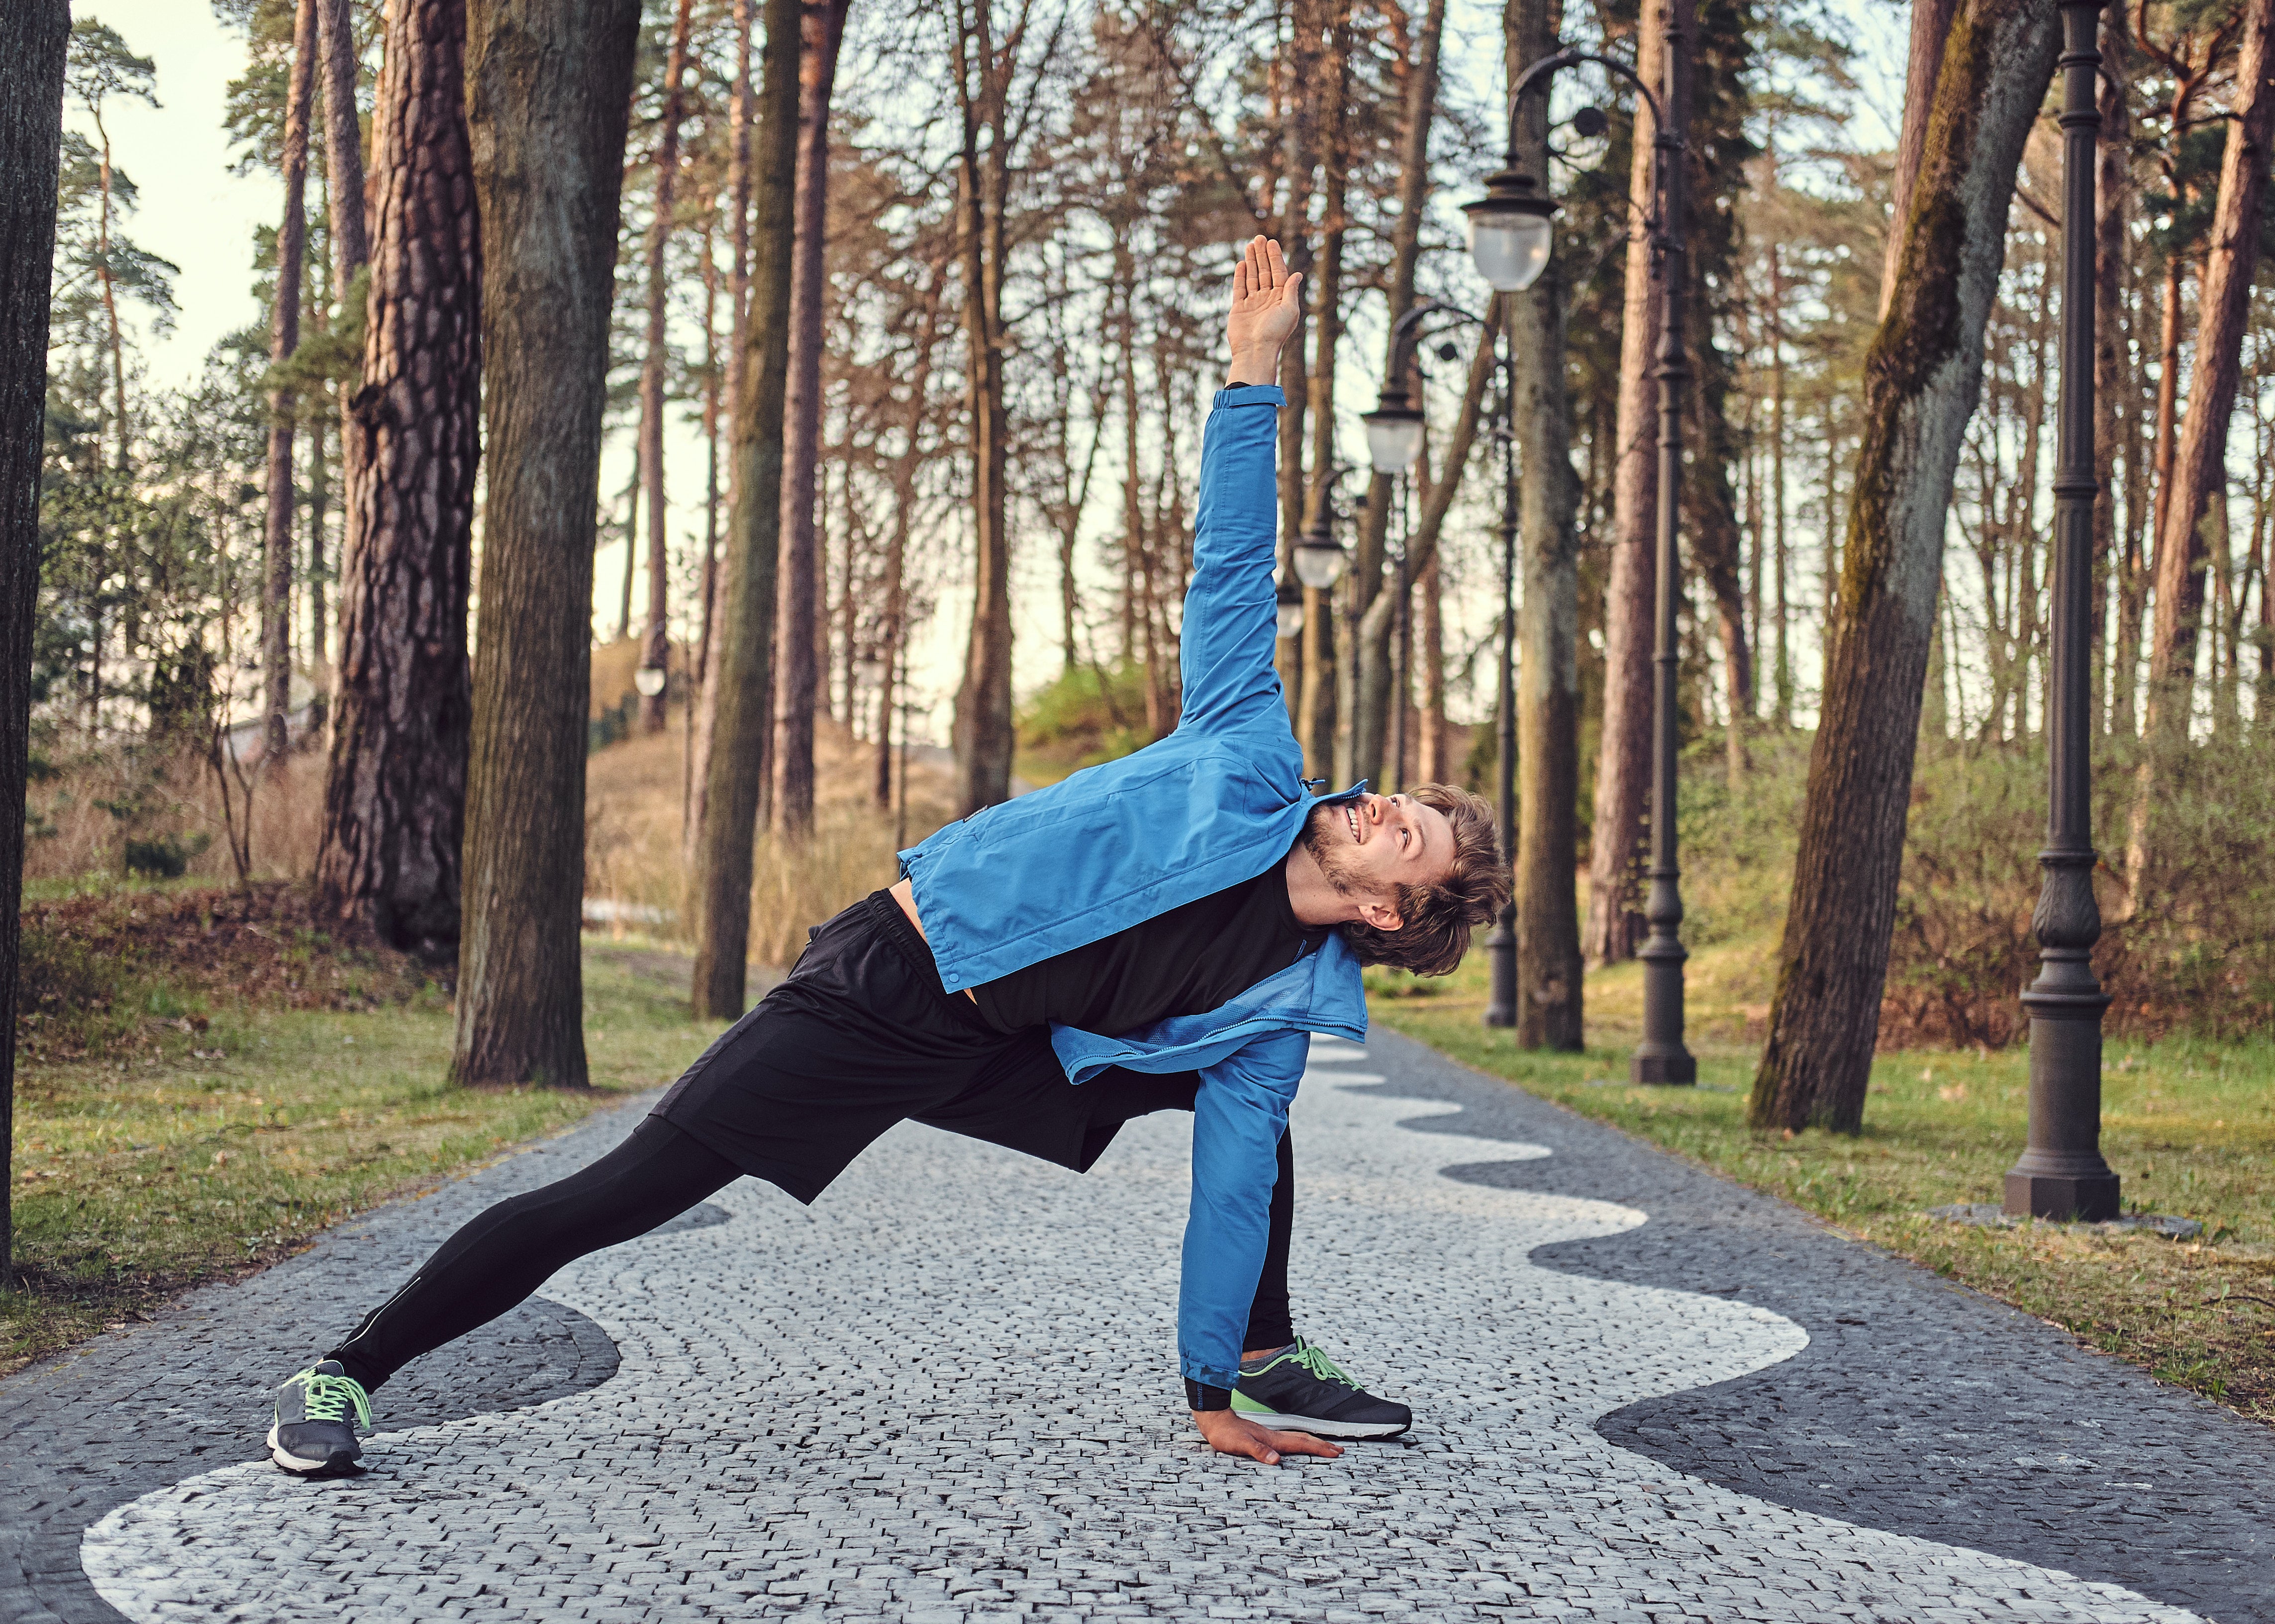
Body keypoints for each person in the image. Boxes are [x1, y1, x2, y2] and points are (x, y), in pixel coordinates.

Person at [265, 236, 1510, 1475]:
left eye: (1413, 836)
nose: (1383, 806)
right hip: (889, 983)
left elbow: (1232, 1191)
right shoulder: (1248, 751)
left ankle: (1260, 1352)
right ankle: (347, 1372)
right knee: (625, 1191)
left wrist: (1202, 1395)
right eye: (1400, 799)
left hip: (1021, 1056)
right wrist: (1253, 379)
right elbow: (1231, 564)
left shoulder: (1279, 1008)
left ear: (1395, 913)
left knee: (1254, 1115)